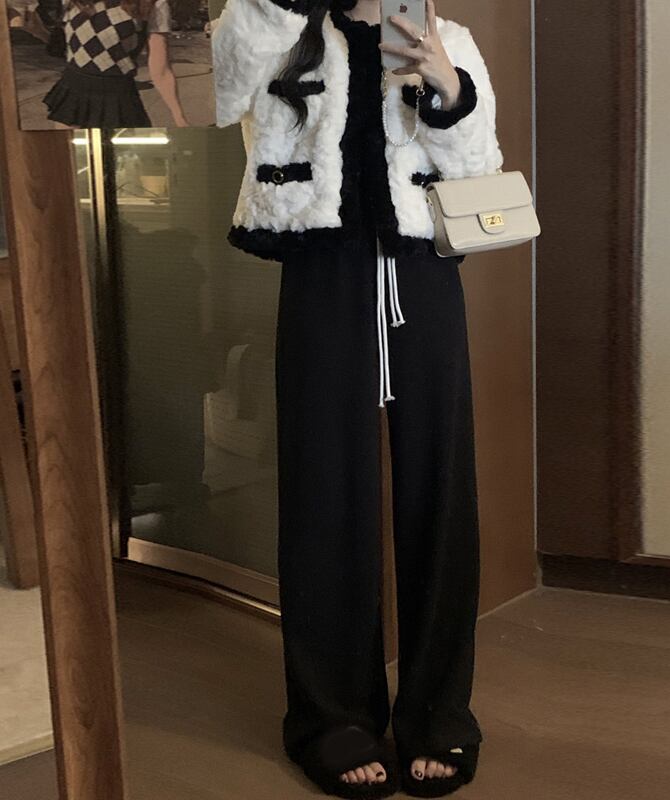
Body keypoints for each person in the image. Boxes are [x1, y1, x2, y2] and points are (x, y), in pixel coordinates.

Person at [212, 0, 503, 796]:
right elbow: (222, 96)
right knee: (323, 491)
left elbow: (479, 167)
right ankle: (330, 716)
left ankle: (439, 712)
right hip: (323, 274)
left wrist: (448, 87)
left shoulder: (448, 37)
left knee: (441, 492)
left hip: (424, 277)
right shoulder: (283, 30)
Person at [43, 0, 188, 127]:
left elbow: (161, 70)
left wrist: (179, 117)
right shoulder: (73, 2)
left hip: (117, 97)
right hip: (73, 91)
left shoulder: (153, 3)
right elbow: (65, 42)